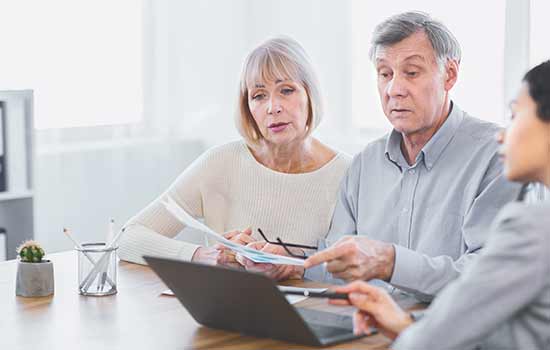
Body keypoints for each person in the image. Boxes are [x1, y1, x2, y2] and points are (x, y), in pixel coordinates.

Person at [332, 59, 550, 350]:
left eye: (515, 115)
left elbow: (433, 342)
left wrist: (416, 332)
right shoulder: (364, 162)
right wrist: (407, 326)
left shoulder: (533, 226)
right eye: (384, 73)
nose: (502, 134)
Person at [303, 12, 520, 300]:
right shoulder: (365, 163)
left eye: (412, 73)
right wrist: (284, 263)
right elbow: (339, 263)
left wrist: (391, 263)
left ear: (450, 75)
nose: (394, 90)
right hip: (362, 327)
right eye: (385, 74)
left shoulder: (497, 155)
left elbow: (489, 278)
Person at [117, 36, 351, 279]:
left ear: (310, 94)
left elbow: (362, 272)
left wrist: (295, 266)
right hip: (227, 309)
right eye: (259, 95)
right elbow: (129, 237)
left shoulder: (348, 173)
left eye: (286, 90)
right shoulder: (221, 162)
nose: (273, 107)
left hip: (315, 313)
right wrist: (205, 256)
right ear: (246, 106)